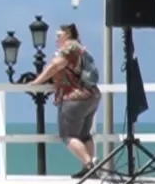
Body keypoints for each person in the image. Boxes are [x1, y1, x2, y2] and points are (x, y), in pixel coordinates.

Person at [28, 23, 101, 175]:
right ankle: (90, 168)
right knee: (84, 135)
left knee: (68, 136)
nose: (56, 39)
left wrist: (37, 81)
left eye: (59, 35)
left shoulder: (69, 48)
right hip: (91, 95)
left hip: (75, 97)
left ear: (67, 35)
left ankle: (89, 165)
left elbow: (55, 66)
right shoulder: (80, 48)